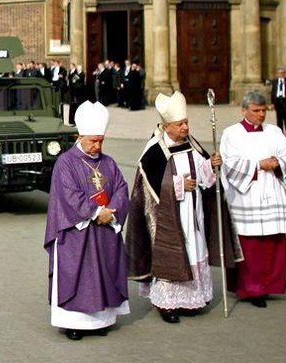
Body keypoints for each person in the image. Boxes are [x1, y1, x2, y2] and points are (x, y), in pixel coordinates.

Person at [125, 91, 239, 323]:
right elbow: (150, 187)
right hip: (169, 217)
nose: (186, 128)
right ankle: (167, 304)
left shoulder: (191, 143)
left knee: (194, 250)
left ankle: (191, 300)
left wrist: (211, 165)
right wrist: (178, 185)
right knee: (174, 255)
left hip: (192, 211)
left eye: (186, 123)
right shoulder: (154, 151)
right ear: (167, 126)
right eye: (180, 124)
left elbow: (205, 174)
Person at [44, 100, 129, 340]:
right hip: (76, 233)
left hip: (104, 230)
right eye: (93, 141)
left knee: (104, 272)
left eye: (101, 141)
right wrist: (94, 212)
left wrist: (112, 210)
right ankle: (74, 323)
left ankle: (102, 321)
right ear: (79, 136)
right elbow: (68, 195)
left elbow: (122, 188)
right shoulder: (66, 163)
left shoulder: (108, 162)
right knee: (78, 274)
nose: (97, 145)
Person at [220, 91, 286, 308]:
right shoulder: (231, 134)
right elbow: (229, 163)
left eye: (264, 110)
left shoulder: (274, 132)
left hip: (271, 191)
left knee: (272, 243)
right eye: (256, 111)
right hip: (247, 195)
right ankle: (251, 289)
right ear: (244, 111)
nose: (261, 115)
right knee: (250, 246)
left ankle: (270, 285)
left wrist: (278, 163)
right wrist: (258, 165)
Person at [270, 67, 286, 139]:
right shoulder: (274, 81)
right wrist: (272, 103)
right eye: (280, 73)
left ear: (285, 73)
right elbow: (273, 92)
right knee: (279, 119)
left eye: (283, 73)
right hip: (278, 101)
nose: (281, 74)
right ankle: (280, 133)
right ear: (278, 74)